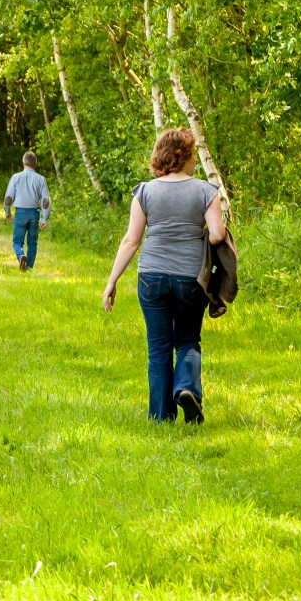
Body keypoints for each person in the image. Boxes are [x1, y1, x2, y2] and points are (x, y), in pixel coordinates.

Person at [101, 128, 226, 424]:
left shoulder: (144, 191)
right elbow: (218, 234)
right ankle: (186, 388)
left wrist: (112, 281)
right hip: (190, 278)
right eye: (193, 154)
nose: (195, 160)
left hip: (151, 276)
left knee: (158, 346)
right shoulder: (205, 191)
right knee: (187, 340)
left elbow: (131, 240)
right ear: (183, 156)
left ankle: (160, 417)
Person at [2, 152, 50, 270]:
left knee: (17, 241)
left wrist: (7, 212)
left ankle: (20, 255)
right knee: (32, 242)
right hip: (34, 213)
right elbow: (45, 200)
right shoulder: (41, 179)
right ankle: (28, 267)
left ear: (23, 163)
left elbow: (8, 198)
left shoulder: (16, 177)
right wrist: (44, 218)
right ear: (36, 164)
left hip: (20, 213)